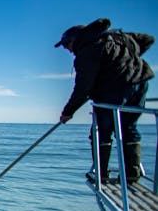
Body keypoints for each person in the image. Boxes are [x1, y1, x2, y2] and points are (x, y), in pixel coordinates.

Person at [55, 18, 154, 183]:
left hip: (113, 91)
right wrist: (128, 59)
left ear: (74, 39)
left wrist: (68, 112)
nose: (67, 49)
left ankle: (101, 174)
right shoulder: (119, 38)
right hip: (139, 84)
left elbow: (83, 87)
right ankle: (131, 174)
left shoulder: (88, 51)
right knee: (128, 128)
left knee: (102, 131)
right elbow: (147, 40)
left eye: (66, 45)